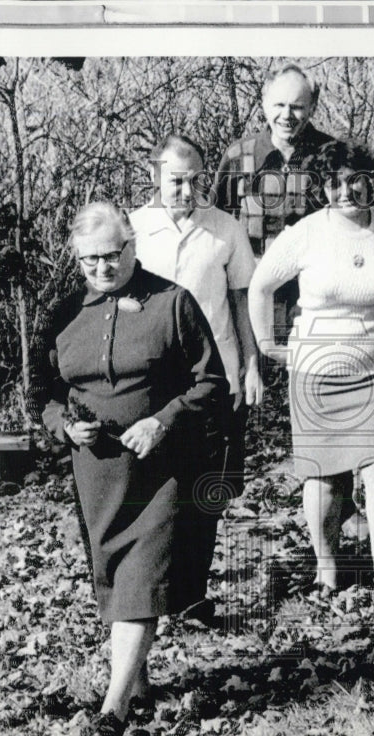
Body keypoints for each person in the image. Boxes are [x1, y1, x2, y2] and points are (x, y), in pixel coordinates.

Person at [28, 202, 230, 736]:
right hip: (96, 471)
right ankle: (139, 687)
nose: (101, 268)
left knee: (142, 578)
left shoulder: (173, 302)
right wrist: (64, 427)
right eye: (89, 259)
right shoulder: (66, 312)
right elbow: (42, 395)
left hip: (162, 467)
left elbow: (213, 383)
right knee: (115, 579)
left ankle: (112, 711)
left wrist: (163, 421)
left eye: (111, 255)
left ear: (132, 246)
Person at [248, 139, 374, 600]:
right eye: (334, 183)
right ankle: (326, 567)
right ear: (322, 188)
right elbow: (260, 286)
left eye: (355, 180)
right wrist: (270, 346)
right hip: (316, 373)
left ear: (372, 181)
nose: (346, 191)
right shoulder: (306, 234)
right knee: (323, 478)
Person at [130, 136, 261, 596]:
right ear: (155, 177)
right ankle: (154, 591)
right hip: (153, 383)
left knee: (208, 490)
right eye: (176, 181)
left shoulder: (225, 228)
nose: (187, 191)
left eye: (195, 181)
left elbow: (242, 301)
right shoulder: (133, 229)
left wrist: (250, 365)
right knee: (157, 491)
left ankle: (192, 594)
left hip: (217, 375)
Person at [215, 62, 334, 338]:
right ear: (264, 103)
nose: (286, 115)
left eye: (297, 106)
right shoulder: (238, 156)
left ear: (313, 106)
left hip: (314, 299)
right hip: (250, 298)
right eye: (279, 105)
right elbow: (217, 225)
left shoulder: (333, 156)